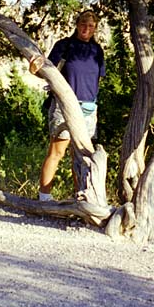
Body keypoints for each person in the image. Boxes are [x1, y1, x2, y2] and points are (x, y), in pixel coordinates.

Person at [38, 10, 105, 201]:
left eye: (91, 25)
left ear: (95, 28)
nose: (86, 28)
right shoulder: (64, 46)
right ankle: (44, 197)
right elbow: (46, 71)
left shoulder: (97, 51)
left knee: (82, 156)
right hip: (64, 105)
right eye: (83, 23)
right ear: (77, 24)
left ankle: (80, 197)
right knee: (57, 151)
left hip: (89, 108)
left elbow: (97, 79)